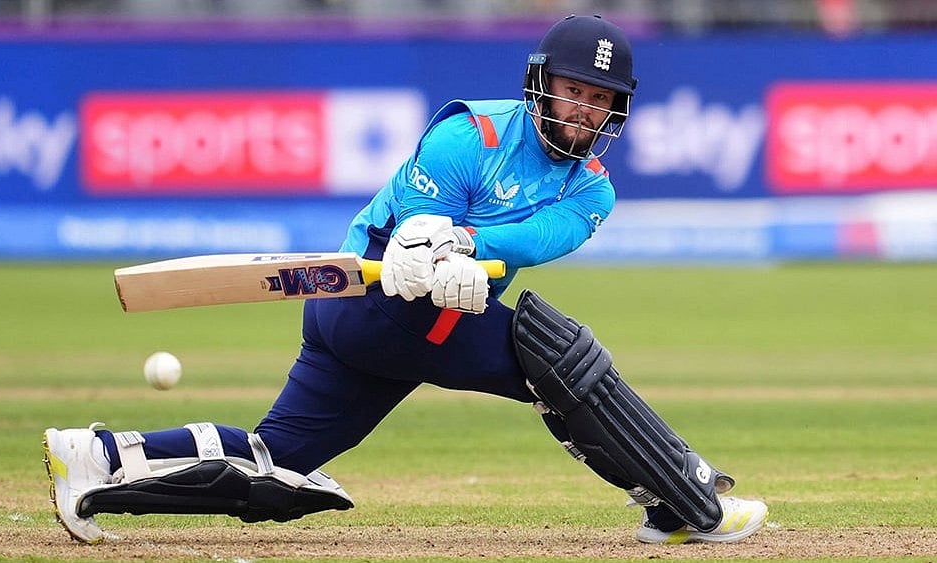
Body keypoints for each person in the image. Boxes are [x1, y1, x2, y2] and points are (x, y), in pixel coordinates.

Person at [43, 14, 767, 546]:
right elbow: (414, 219)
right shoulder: (468, 135)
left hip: (423, 323)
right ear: (540, 84)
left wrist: (467, 244)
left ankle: (98, 457)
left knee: (273, 464)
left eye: (599, 98)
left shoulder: (594, 190)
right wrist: (420, 248)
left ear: (617, 108)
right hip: (368, 303)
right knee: (559, 355)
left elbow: (542, 237)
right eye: (573, 89)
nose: (583, 109)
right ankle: (680, 497)